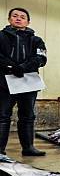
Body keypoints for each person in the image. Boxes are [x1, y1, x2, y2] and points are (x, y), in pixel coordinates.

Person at [0, 8, 47, 156]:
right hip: (4, 82)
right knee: (2, 115)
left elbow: (41, 58)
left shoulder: (36, 40)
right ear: (9, 19)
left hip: (28, 82)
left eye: (22, 17)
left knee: (27, 116)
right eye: (15, 16)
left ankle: (28, 148)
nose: (18, 19)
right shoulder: (0, 36)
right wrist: (11, 67)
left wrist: (23, 67)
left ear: (28, 21)